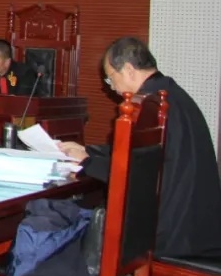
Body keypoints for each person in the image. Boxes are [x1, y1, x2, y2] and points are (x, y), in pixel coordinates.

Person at [57, 37, 221, 259]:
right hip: (199, 227)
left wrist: (87, 163)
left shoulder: (147, 107)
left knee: (75, 241)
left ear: (128, 70)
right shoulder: (169, 94)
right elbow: (143, 155)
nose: (112, 87)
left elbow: (133, 174)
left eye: (110, 78)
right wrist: (89, 151)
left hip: (173, 236)